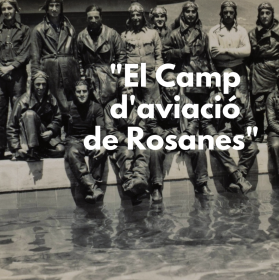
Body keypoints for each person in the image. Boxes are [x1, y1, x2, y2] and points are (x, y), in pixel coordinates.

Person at [147, 72, 212, 202]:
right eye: (168, 86)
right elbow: (152, 124)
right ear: (164, 87)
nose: (172, 89)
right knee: (155, 151)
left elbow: (194, 120)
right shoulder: (156, 103)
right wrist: (165, 135)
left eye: (174, 85)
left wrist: (186, 134)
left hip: (182, 135)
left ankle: (202, 183)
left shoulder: (187, 101)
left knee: (199, 149)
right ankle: (156, 186)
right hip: (165, 137)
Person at [202, 68, 258, 194]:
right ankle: (240, 178)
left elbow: (250, 121)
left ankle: (236, 178)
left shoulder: (243, 100)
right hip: (221, 135)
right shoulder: (212, 100)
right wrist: (214, 135)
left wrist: (248, 133)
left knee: (253, 148)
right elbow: (205, 122)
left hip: (238, 135)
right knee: (217, 148)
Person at [31, 0, 82, 115]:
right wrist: (37, 78)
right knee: (52, 105)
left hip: (70, 71)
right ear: (47, 8)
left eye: (57, 5)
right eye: (51, 6)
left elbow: (76, 55)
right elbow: (35, 58)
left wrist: (80, 74)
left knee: (72, 104)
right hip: (50, 71)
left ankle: (71, 132)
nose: (54, 9)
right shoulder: (38, 30)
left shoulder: (69, 28)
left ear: (61, 8)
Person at [248, 2, 279, 142]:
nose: (265, 16)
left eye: (268, 13)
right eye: (262, 13)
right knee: (258, 103)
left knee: (275, 102)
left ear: (272, 15)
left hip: (276, 72)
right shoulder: (252, 34)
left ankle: (275, 132)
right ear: (258, 15)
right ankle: (259, 132)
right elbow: (247, 57)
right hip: (259, 71)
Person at [163, 0, 216, 107]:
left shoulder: (203, 35)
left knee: (204, 109)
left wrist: (212, 75)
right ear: (183, 14)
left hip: (201, 76)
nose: (190, 14)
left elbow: (208, 57)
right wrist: (180, 52)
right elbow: (164, 53)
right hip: (183, 75)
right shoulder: (174, 34)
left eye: (193, 12)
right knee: (186, 109)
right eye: (187, 11)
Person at [104, 78, 151, 198]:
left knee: (142, 150)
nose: (128, 92)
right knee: (126, 153)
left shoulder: (141, 106)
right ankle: (130, 185)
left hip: (137, 139)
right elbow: (110, 130)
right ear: (119, 92)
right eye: (124, 90)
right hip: (120, 142)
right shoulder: (110, 107)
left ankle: (140, 181)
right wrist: (124, 140)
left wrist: (136, 138)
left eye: (130, 88)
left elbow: (145, 127)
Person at [64, 80, 106, 204]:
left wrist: (103, 145)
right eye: (79, 92)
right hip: (73, 139)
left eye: (84, 91)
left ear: (89, 92)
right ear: (74, 93)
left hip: (90, 138)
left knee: (99, 151)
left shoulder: (96, 107)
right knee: (72, 153)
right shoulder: (68, 107)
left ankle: (91, 190)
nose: (82, 94)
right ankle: (92, 188)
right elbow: (58, 123)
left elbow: (101, 128)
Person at [7, 71, 64, 161]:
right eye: (38, 84)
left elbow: (58, 118)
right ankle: (32, 150)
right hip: (27, 137)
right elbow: (12, 126)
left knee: (61, 150)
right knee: (30, 114)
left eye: (43, 84)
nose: (41, 87)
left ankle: (39, 151)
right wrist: (16, 148)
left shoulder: (51, 99)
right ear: (32, 85)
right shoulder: (23, 101)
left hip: (45, 135)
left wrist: (51, 131)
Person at [0, 0, 31, 159]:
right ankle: (0, 149)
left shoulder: (25, 30)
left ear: (15, 9)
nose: (7, 12)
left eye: (9, 8)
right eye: (4, 9)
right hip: (0, 75)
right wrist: (2, 68)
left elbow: (26, 52)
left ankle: (17, 148)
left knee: (18, 110)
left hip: (17, 75)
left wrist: (11, 67)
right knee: (0, 111)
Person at [77, 4, 126, 106]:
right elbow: (78, 59)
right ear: (86, 19)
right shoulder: (81, 36)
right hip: (89, 77)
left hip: (109, 77)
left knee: (110, 105)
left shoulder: (112, 34)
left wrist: (116, 74)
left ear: (101, 17)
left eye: (96, 17)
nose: (93, 20)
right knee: (92, 106)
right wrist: (82, 75)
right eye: (90, 18)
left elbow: (121, 55)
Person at [121, 1, 163, 103]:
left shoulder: (153, 33)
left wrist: (157, 72)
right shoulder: (125, 35)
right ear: (130, 17)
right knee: (135, 104)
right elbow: (122, 57)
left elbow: (159, 56)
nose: (135, 18)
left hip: (150, 76)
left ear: (143, 16)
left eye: (138, 15)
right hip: (132, 77)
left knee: (153, 104)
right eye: (133, 15)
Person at [209, 1, 251, 97]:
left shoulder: (242, 31)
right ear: (221, 13)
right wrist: (238, 52)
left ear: (235, 14)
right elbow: (215, 54)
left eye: (231, 12)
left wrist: (225, 51)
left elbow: (247, 51)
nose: (228, 15)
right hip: (220, 69)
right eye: (225, 12)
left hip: (239, 69)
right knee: (221, 98)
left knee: (242, 98)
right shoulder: (214, 31)